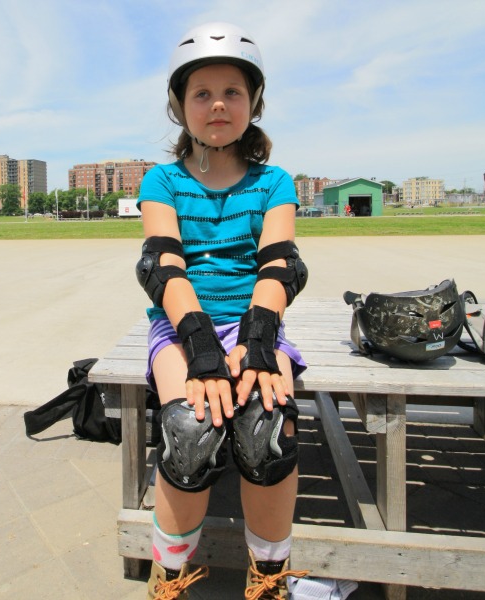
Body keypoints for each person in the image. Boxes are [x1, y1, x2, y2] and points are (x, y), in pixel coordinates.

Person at [135, 22, 309, 599]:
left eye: (232, 92)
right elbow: (162, 266)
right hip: (183, 322)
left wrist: (258, 343)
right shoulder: (162, 180)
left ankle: (270, 575)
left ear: (254, 102)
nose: (217, 105)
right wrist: (203, 348)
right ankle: (172, 575)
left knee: (266, 430)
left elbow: (280, 265)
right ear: (179, 106)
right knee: (190, 429)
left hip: (256, 318)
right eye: (201, 93)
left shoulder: (273, 182)